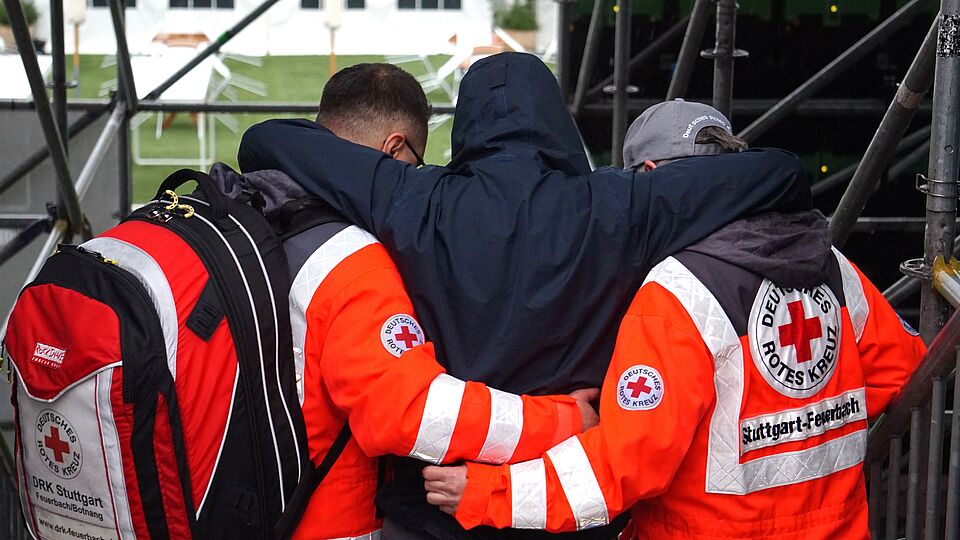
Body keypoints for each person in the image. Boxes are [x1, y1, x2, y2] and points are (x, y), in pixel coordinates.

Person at [238, 51, 812, 538]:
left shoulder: (411, 198)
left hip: (439, 507)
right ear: (556, 120)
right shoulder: (622, 205)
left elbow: (266, 139)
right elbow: (782, 171)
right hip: (567, 502)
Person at [421, 100, 927, 539]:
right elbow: (901, 370)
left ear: (647, 178)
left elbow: (627, 466)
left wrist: (490, 492)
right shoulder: (831, 264)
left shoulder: (678, 292)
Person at [215, 63, 599, 540]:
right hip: (320, 519)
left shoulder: (243, 216)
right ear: (394, 149)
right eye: (416, 164)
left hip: (227, 504)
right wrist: (566, 420)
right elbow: (412, 414)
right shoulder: (348, 260)